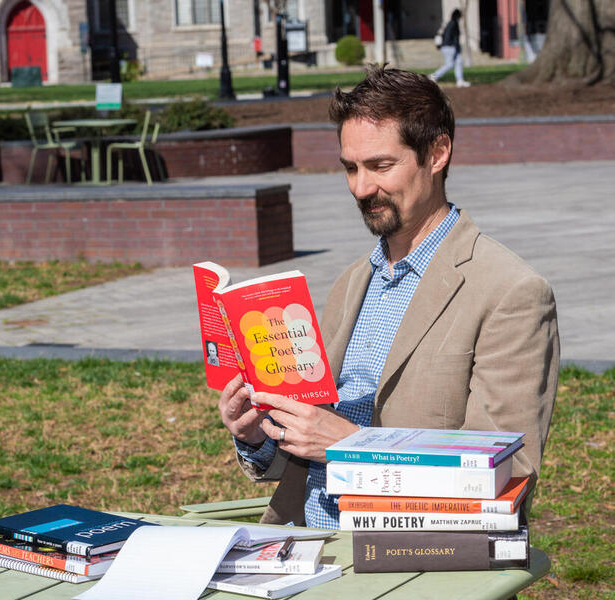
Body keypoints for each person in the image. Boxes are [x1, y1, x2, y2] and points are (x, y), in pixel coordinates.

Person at [218, 65, 559, 528]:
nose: (361, 188)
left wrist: (352, 447)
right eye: (350, 168)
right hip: (308, 548)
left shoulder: (510, 292)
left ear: (437, 153)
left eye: (380, 166)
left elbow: (504, 476)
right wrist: (261, 435)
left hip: (410, 559)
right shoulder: (351, 283)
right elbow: (308, 460)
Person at [431, 9, 470, 87]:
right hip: (450, 47)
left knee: (458, 62)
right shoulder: (454, 24)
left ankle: (460, 81)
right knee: (450, 64)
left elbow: (443, 35)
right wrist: (456, 47)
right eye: (461, 16)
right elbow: (454, 37)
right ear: (458, 16)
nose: (461, 18)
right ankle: (433, 77)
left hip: (448, 47)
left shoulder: (449, 23)